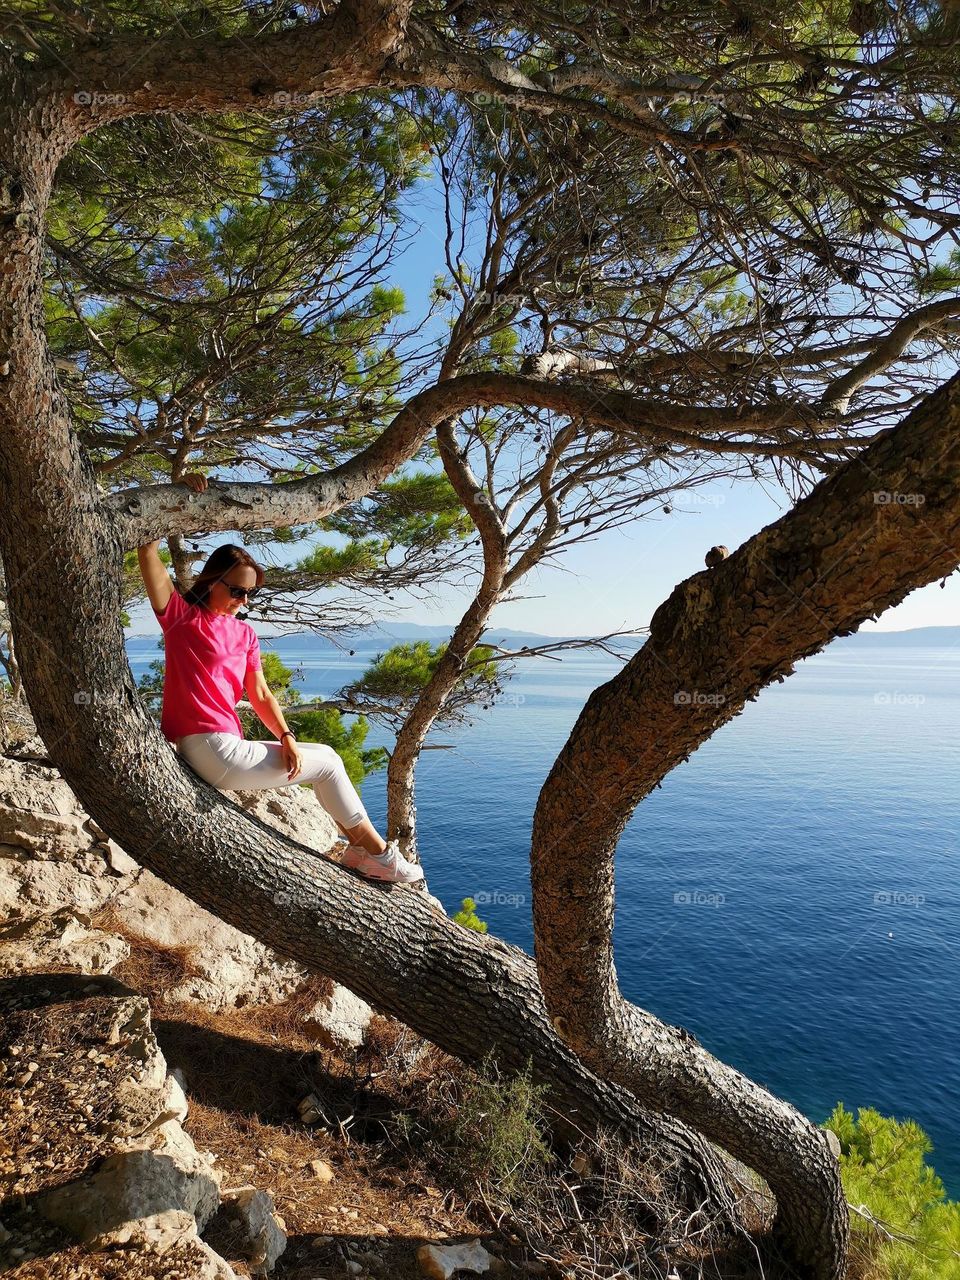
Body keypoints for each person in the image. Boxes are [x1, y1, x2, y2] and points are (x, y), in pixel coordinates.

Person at [137, 473, 423, 886]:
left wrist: (287, 736)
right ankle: (376, 854)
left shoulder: (245, 634)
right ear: (210, 581)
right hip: (206, 745)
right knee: (327, 763)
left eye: (250, 594)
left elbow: (260, 693)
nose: (243, 601)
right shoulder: (182, 618)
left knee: (320, 753)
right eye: (236, 591)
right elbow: (148, 549)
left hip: (225, 746)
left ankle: (365, 853)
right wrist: (177, 492)